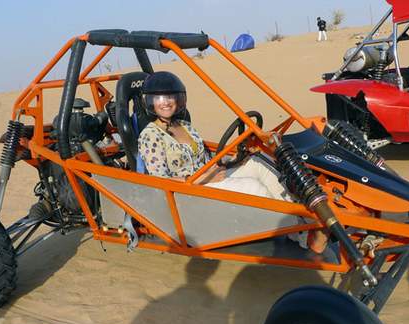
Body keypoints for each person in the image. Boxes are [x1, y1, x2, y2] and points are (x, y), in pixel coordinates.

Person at [136, 71, 327, 253]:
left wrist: (234, 161)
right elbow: (159, 184)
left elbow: (206, 159)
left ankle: (304, 216)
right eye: (159, 98)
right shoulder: (150, 136)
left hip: (208, 177)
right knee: (252, 186)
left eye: (171, 97)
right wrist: (204, 179)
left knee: (259, 165)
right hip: (188, 193)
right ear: (149, 102)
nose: (167, 102)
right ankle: (301, 231)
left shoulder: (184, 125)